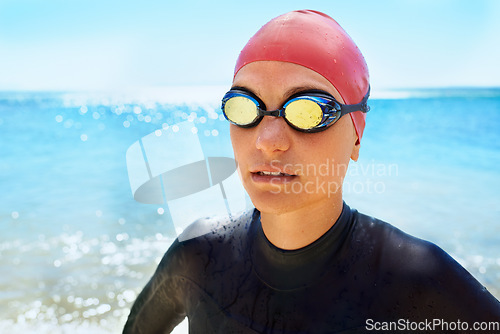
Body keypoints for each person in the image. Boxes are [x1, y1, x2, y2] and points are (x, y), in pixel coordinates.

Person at [123, 10, 500, 333]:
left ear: (355, 138)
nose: (267, 140)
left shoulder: (419, 281)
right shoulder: (197, 254)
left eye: (307, 111)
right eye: (244, 107)